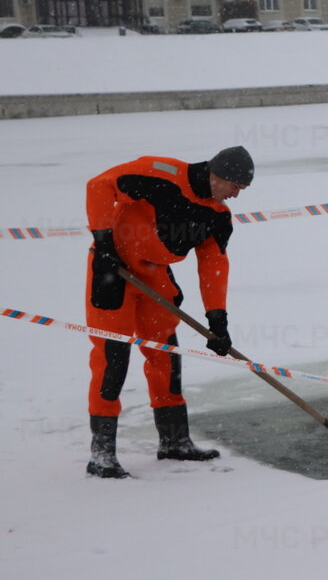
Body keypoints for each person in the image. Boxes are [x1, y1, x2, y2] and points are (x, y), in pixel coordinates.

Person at [84, 146, 254, 478]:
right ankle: (101, 454)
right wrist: (103, 243)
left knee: (165, 355)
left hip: (155, 276)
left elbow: (213, 264)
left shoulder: (217, 215)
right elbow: (98, 185)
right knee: (112, 357)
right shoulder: (159, 174)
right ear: (218, 175)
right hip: (113, 270)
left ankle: (175, 442)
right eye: (235, 187)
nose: (236, 195)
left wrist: (217, 318)